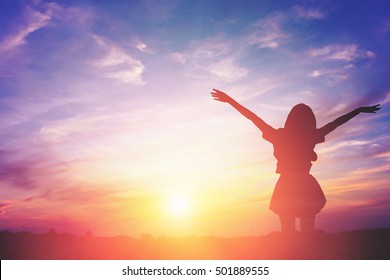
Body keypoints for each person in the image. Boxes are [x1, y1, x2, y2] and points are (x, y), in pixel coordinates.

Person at [210, 88, 380, 234]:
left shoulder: (280, 136)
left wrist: (230, 100)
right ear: (310, 121)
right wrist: (358, 110)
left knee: (288, 233)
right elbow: (335, 123)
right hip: (305, 184)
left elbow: (254, 118)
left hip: (287, 184)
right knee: (307, 231)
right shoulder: (310, 136)